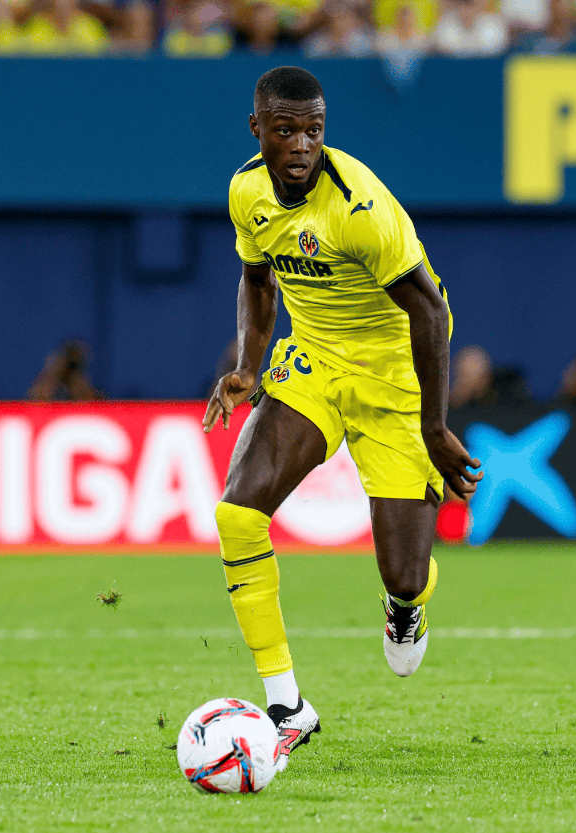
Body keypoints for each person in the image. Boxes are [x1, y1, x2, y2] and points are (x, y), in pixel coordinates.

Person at [202, 66, 482, 770]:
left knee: (404, 575)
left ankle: (407, 604)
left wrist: (433, 427)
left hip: (394, 370)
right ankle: (286, 707)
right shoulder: (246, 192)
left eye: (314, 131)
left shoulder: (359, 207)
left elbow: (429, 311)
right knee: (237, 514)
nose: (302, 145)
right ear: (257, 129)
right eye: (286, 130)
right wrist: (248, 365)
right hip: (315, 358)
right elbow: (257, 278)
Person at [27, 340, 103, 400]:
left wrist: (76, 382)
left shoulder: (80, 385)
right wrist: (53, 375)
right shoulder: (47, 383)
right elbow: (37, 401)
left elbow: (89, 404)